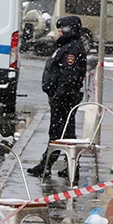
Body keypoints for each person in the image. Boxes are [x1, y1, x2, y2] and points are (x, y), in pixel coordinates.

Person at [29, 15, 88, 178]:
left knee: (60, 133)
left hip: (64, 98)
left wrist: (59, 95)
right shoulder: (67, 46)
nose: (59, 32)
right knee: (63, 133)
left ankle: (50, 165)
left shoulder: (72, 49)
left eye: (62, 30)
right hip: (61, 97)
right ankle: (66, 167)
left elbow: (69, 76)